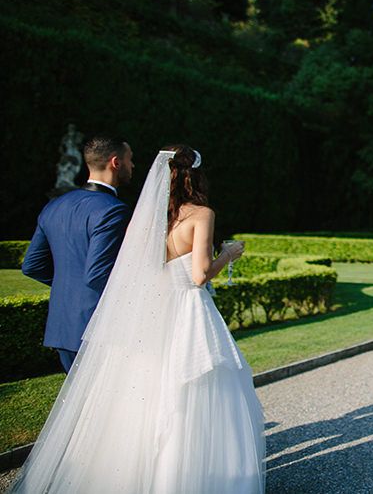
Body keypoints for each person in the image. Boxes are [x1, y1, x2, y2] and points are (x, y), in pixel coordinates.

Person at [13, 146, 266, 493]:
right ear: (197, 178)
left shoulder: (147, 218)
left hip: (149, 311)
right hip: (187, 311)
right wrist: (229, 253)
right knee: (194, 391)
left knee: (139, 395)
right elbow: (199, 275)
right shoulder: (201, 214)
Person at [22, 135, 133, 372]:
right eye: (130, 160)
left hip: (62, 325)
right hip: (97, 327)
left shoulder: (54, 206)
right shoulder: (113, 211)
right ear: (116, 162)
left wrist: (68, 284)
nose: (133, 166)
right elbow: (97, 275)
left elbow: (31, 265)